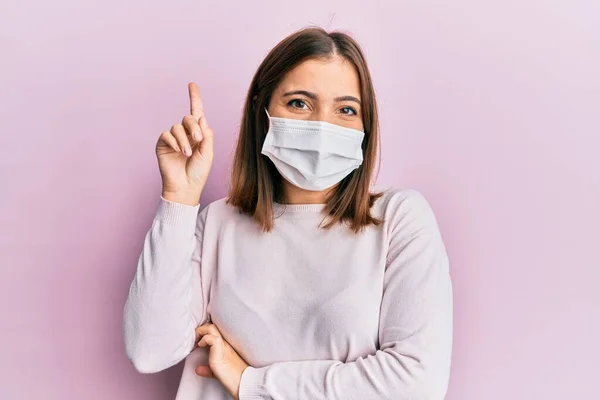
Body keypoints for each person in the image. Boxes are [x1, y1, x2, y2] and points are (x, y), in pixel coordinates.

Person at [123, 27, 453, 400]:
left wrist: (251, 383)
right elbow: (149, 349)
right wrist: (179, 200)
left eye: (346, 109)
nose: (321, 126)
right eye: (299, 103)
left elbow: (417, 384)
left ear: (365, 126)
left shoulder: (397, 219)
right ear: (262, 113)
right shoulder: (217, 223)